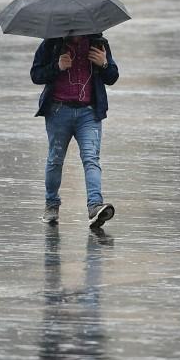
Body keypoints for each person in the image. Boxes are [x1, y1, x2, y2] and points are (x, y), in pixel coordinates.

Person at [30, 33, 119, 228]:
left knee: (91, 159)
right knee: (55, 159)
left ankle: (95, 206)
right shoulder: (51, 43)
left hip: (89, 114)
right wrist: (57, 67)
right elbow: (36, 75)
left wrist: (104, 64)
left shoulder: (98, 43)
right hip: (58, 111)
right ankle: (51, 205)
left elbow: (112, 76)